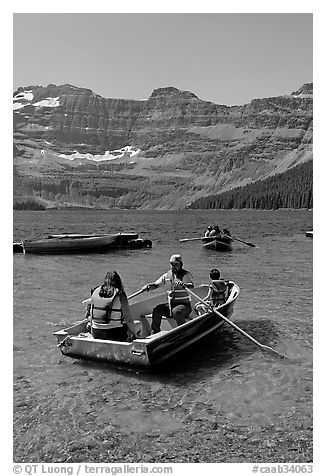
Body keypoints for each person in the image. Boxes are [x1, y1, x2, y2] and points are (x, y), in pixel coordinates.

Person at [142, 254, 194, 333]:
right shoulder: (167, 275)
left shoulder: (185, 275)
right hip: (171, 307)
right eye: (172, 264)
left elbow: (191, 286)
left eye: (176, 264)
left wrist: (184, 285)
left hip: (184, 307)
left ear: (181, 265)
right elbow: (156, 285)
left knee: (177, 312)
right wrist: (148, 286)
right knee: (157, 310)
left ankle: (183, 333)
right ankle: (155, 332)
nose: (174, 266)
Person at [85, 270, 138, 341]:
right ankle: (134, 344)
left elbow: (91, 316)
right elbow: (128, 319)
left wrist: (92, 332)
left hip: (96, 333)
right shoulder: (120, 294)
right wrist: (135, 335)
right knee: (138, 324)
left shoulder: (95, 292)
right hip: (115, 334)